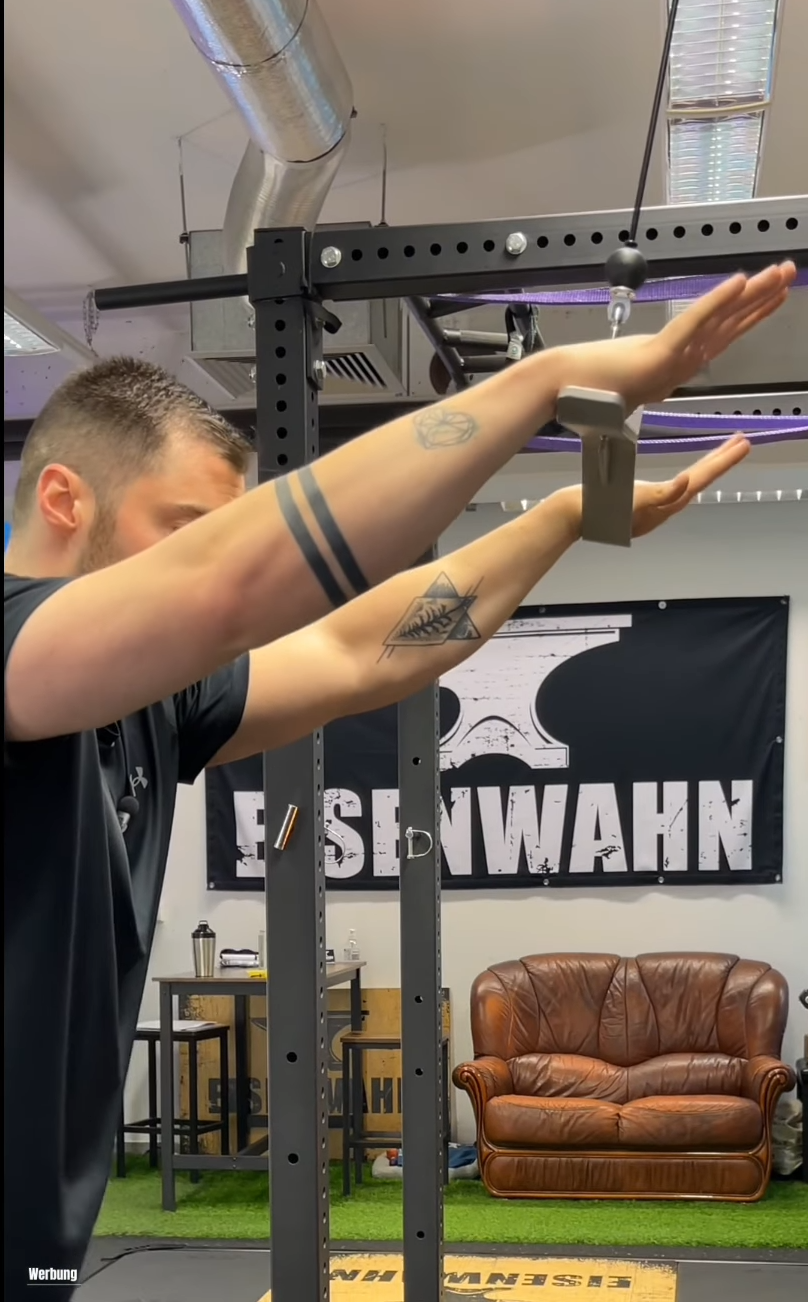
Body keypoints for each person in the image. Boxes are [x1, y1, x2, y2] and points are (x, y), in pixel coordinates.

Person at [3, 263, 795, 1296]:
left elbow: (364, 651)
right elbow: (231, 587)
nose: (200, 565)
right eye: (183, 526)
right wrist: (540, 384)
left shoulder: (154, 700)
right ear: (64, 497)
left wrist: (563, 515)